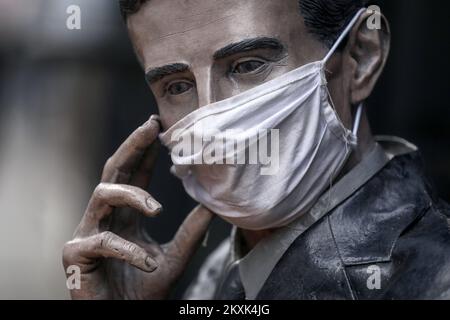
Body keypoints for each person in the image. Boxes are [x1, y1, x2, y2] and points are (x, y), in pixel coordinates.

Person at [63, 0, 450, 300]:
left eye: (247, 65)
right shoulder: (219, 269)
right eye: (178, 87)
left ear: (361, 58)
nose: (210, 118)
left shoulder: (433, 276)